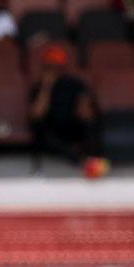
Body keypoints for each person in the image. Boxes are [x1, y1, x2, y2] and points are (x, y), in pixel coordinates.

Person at [29, 45, 98, 173]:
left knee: (90, 125)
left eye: (56, 66)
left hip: (71, 123)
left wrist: (84, 105)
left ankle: (93, 158)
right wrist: (46, 87)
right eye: (49, 66)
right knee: (42, 133)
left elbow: (86, 114)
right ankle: (79, 160)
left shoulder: (76, 84)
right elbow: (36, 115)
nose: (53, 70)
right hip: (51, 128)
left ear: (63, 67)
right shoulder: (39, 87)